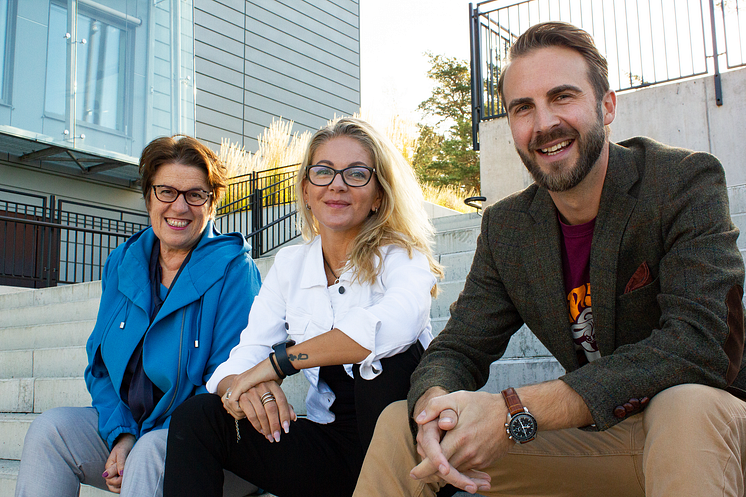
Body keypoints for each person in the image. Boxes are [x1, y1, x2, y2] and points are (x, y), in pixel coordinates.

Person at [352, 21, 746, 497]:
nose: (544, 125)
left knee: (685, 405)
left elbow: (699, 344)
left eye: (562, 97)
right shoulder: (508, 228)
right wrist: (438, 406)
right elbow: (457, 348)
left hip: (708, 432)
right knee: (402, 423)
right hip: (603, 446)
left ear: (607, 106)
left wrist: (514, 408)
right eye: (523, 108)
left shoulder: (681, 182)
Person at [162, 117, 443, 497]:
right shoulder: (291, 265)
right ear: (307, 191)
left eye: (357, 174)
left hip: (407, 452)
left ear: (378, 194)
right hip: (333, 452)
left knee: (384, 363)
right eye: (323, 172)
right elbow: (245, 357)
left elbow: (394, 326)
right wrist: (248, 390)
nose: (337, 185)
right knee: (198, 417)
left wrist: (282, 363)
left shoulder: (403, 257)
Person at [15, 135, 262, 497]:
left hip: (211, 449)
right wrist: (122, 433)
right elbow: (100, 366)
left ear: (211, 205)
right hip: (134, 433)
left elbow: (221, 384)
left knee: (149, 453)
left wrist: (139, 441)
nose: (179, 207)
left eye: (195, 194)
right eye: (166, 191)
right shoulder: (124, 262)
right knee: (50, 431)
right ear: (149, 197)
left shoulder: (235, 271)